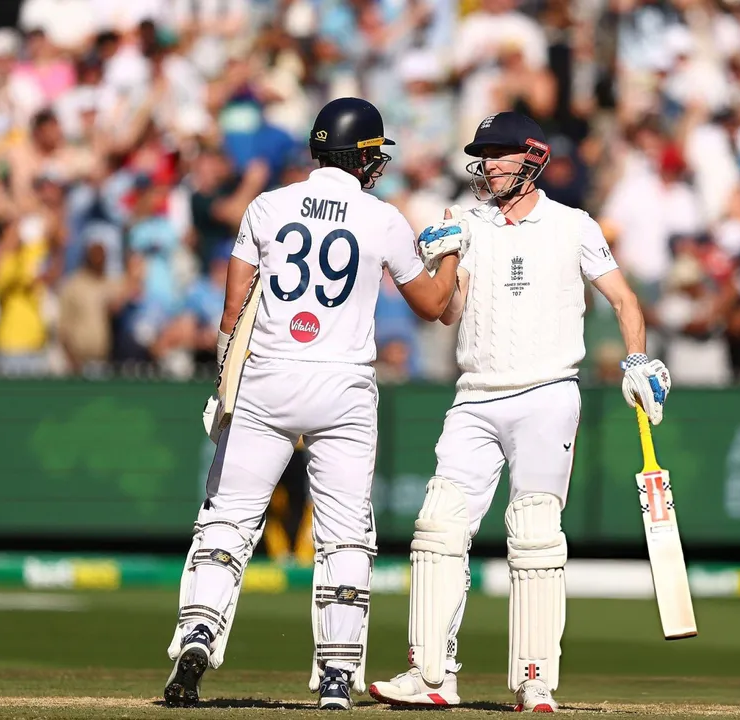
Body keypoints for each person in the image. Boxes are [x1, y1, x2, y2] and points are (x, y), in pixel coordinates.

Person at [163, 97, 461, 710]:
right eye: (374, 152)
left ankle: (197, 633)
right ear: (359, 156)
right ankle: (335, 674)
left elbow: (231, 313)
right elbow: (434, 308)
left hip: (267, 378)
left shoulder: (266, 206)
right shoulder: (381, 217)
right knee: (346, 534)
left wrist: (225, 386)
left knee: (227, 521)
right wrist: (451, 250)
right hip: (342, 387)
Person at [368, 112, 671, 712]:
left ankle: (535, 679)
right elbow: (448, 313)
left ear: (532, 159)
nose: (487, 165)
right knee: (438, 527)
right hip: (476, 395)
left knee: (534, 532)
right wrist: (444, 260)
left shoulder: (573, 225)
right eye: (482, 155)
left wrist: (637, 360)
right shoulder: (464, 220)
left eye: (499, 154)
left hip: (546, 392)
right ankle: (431, 673)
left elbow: (624, 299)